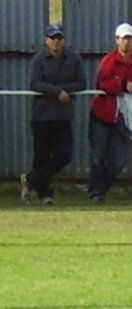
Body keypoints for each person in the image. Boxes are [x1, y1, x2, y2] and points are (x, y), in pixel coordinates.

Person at [21, 23, 87, 206]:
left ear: (64, 40)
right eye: (52, 38)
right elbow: (35, 83)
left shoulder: (74, 59)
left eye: (59, 38)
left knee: (64, 156)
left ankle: (31, 180)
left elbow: (81, 83)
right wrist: (56, 92)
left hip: (63, 116)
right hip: (42, 115)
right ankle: (44, 194)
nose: (56, 42)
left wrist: (64, 90)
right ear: (46, 40)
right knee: (41, 156)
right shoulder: (39, 60)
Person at [88, 23, 132, 203]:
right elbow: (101, 83)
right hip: (102, 116)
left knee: (119, 161)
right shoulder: (108, 61)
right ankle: (96, 194)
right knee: (98, 157)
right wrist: (122, 85)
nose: (126, 42)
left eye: (129, 38)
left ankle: (101, 188)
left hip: (126, 120)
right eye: (123, 38)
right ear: (116, 40)